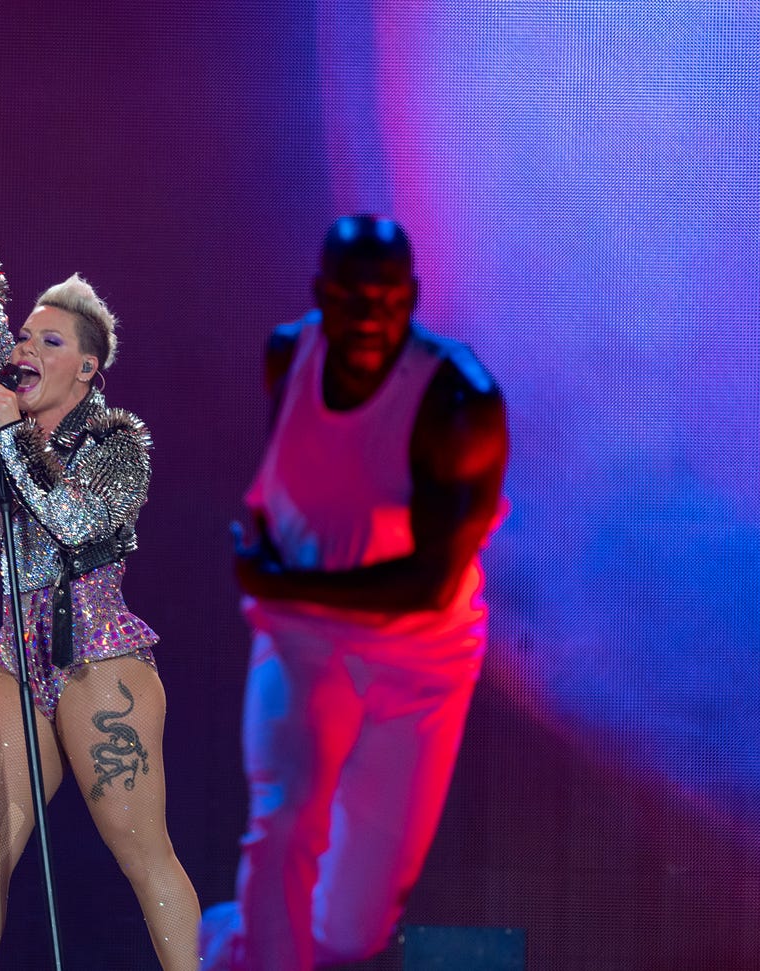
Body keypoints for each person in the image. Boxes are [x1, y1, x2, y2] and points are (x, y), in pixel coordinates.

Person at [199, 215, 509, 970]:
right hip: (301, 637)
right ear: (320, 295)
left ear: (413, 297)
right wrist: (278, 578)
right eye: (350, 298)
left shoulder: (459, 403)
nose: (369, 318)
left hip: (418, 660)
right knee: (283, 828)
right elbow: (299, 484)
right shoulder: (286, 356)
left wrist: (280, 578)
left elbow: (430, 584)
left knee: (349, 928)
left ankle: (223, 941)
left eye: (388, 299)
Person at [0, 133, 201, 971]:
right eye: (25, 340)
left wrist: (7, 444)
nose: (24, 351)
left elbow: (75, 522)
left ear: (87, 368)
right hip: (20, 663)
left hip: (98, 662)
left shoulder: (117, 442)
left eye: (49, 343)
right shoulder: (8, 427)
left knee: (141, 851)